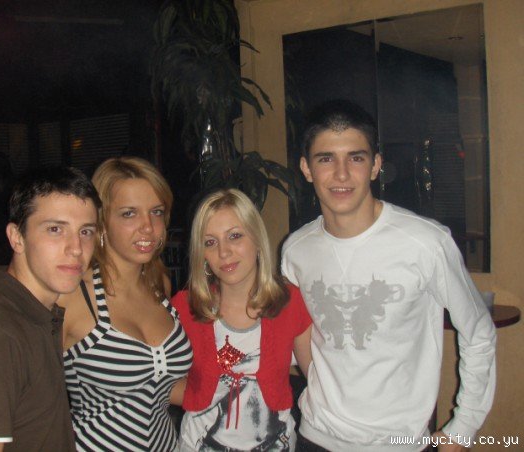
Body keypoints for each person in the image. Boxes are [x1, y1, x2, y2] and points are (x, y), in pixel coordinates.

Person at [281, 100, 496, 452]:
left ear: (376, 165)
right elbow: (298, 335)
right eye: (326, 159)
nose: (341, 174)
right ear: (306, 168)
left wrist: (463, 427)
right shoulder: (295, 250)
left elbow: (479, 332)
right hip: (315, 436)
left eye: (356, 158)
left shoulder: (426, 243)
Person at [0, 166, 101, 451]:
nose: (76, 248)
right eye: (55, 229)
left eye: (85, 231)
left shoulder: (35, 315)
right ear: (16, 237)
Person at [59, 156, 193, 451]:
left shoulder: (159, 284)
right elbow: (26, 393)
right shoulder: (73, 296)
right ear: (101, 221)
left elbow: (159, 386)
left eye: (156, 212)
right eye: (129, 213)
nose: (148, 227)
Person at [172, 189, 312, 451]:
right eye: (210, 242)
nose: (224, 252)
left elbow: (317, 379)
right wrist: (196, 394)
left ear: (257, 239)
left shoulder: (289, 301)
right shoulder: (185, 306)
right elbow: (152, 382)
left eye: (234, 236)